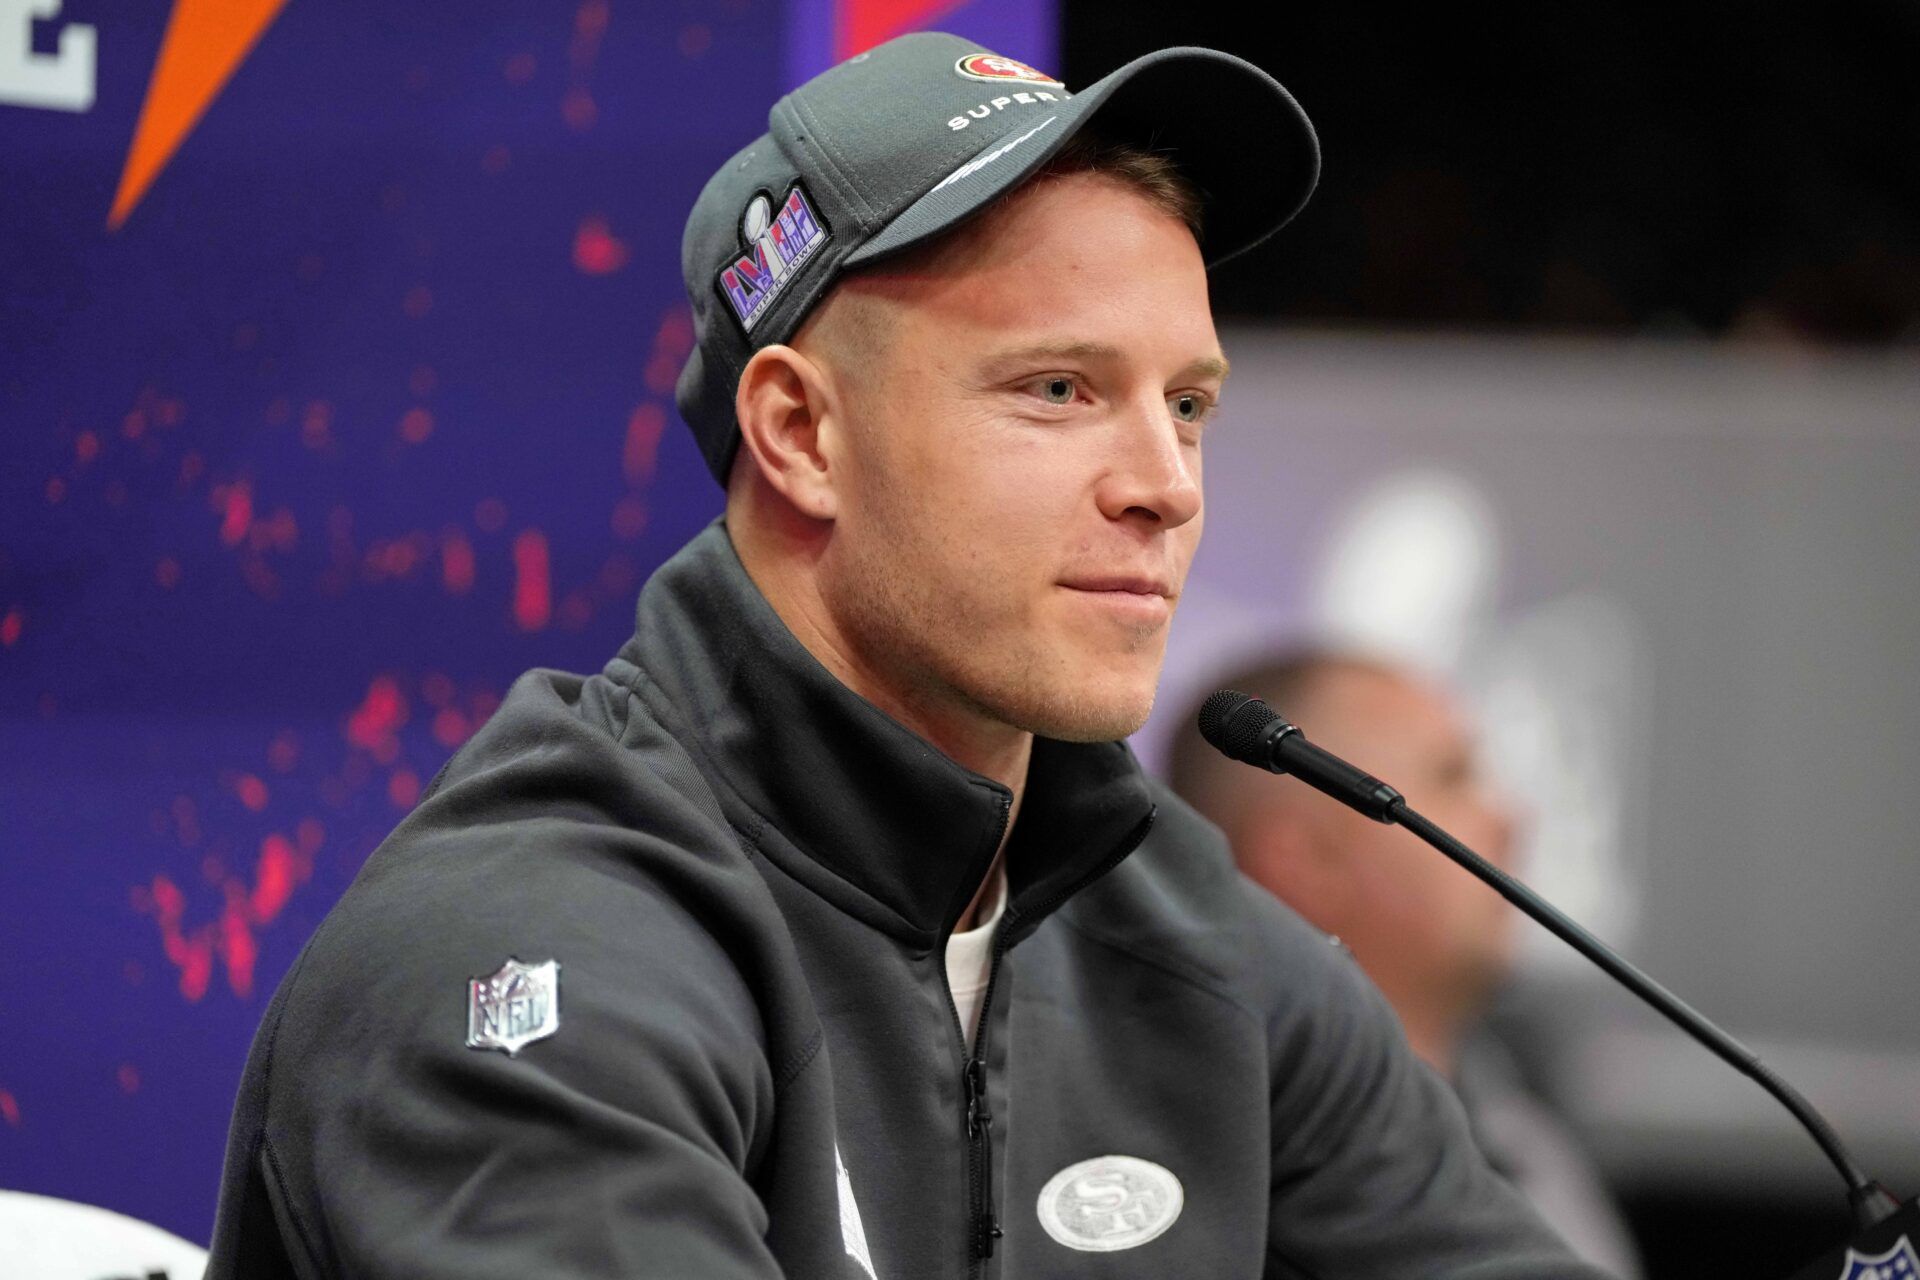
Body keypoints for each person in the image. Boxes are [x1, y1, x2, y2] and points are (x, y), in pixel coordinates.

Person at [203, 33, 1607, 1279]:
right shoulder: (527, 952)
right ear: (802, 436)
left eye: (1187, 404)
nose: (1166, 483)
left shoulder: (1192, 936)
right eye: (1060, 390)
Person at [1167, 648, 1644, 1278]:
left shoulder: (1521, 1123)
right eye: (1454, 776)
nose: (1511, 818)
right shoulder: (1225, 1174)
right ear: (1304, 860)